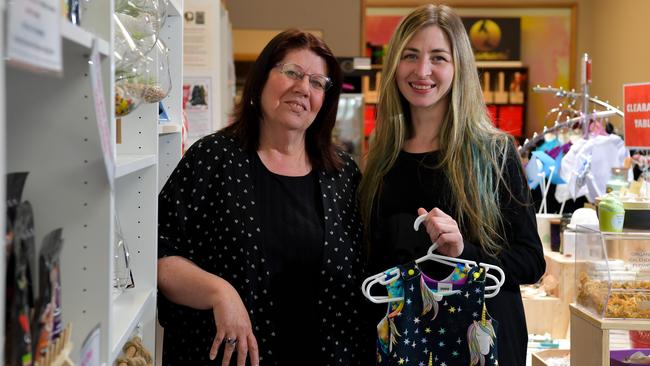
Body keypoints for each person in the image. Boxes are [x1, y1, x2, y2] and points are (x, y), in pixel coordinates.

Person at [157, 29, 370, 365]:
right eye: (292, 73)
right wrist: (219, 291)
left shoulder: (342, 175)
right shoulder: (212, 158)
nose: (303, 88)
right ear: (260, 79)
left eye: (317, 82)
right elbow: (159, 252)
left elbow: (363, 275)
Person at [358, 5, 545, 366]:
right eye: (410, 56)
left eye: (438, 57)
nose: (422, 70)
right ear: (394, 64)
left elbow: (531, 260)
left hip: (483, 345)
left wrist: (465, 255)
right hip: (404, 348)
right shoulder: (380, 158)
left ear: (459, 68)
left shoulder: (494, 152)